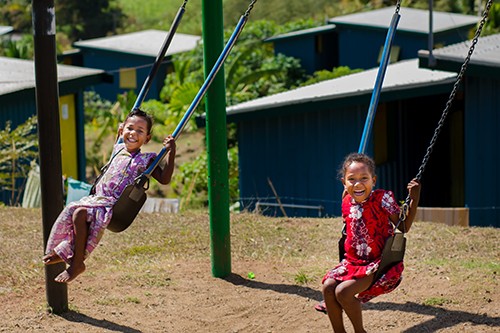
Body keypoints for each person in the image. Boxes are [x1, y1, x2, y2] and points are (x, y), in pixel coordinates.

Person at [42, 109, 176, 283]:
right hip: (96, 198)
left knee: (79, 213)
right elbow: (120, 137)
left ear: (147, 138)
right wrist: (120, 130)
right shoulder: (118, 148)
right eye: (130, 128)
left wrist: (171, 151)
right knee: (74, 212)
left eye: (140, 131)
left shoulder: (146, 160)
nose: (133, 133)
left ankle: (75, 263)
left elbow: (165, 179)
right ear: (122, 130)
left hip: (113, 205)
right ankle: (67, 254)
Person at [319, 153, 421, 333]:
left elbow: (403, 227)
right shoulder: (346, 201)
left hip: (378, 264)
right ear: (344, 182)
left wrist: (414, 199)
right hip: (352, 263)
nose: (358, 184)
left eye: (364, 178)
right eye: (352, 179)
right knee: (328, 287)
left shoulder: (382, 199)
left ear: (373, 180)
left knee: (343, 292)